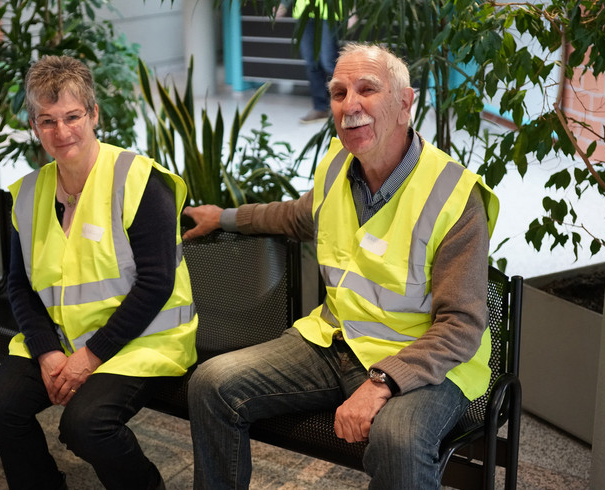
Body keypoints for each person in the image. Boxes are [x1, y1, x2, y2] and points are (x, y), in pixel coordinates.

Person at [182, 42, 499, 489]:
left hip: (423, 362)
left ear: (404, 103)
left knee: (398, 440)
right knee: (212, 384)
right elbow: (295, 216)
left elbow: (462, 325)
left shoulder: (453, 194)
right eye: (338, 93)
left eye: (367, 89)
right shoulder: (338, 168)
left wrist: (382, 382)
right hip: (337, 341)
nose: (350, 105)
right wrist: (225, 217)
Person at [0, 55, 197, 490]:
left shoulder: (137, 180)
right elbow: (19, 285)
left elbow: (156, 284)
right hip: (62, 340)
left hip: (142, 341)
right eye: (48, 121)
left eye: (73, 117)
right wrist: (47, 352)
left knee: (85, 424)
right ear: (34, 125)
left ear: (94, 114)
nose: (62, 132)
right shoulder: (29, 193)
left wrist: (89, 357)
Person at [276, 0, 341, 124]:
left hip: (330, 11)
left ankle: (350, 106)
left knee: (329, 62)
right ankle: (320, 108)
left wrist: (352, 8)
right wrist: (284, 4)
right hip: (304, 11)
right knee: (312, 62)